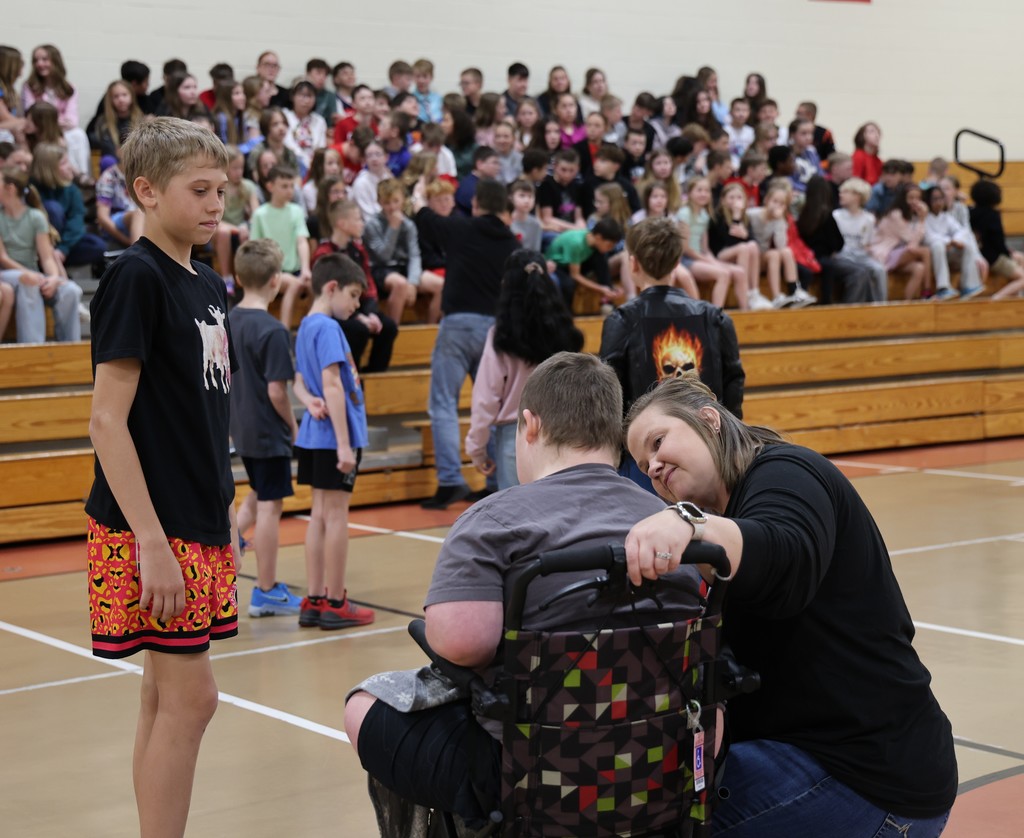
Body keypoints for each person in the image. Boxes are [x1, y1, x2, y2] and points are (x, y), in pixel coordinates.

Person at [344, 351, 704, 829]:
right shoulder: (671, 523)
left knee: (363, 704)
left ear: (529, 426)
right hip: (661, 760)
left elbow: (460, 643)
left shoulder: (491, 520)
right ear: (613, 434)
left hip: (537, 771)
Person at [622, 375, 957, 837]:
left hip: (873, 780)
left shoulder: (787, 471)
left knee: (664, 819)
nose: (654, 466)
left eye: (658, 443)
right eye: (643, 463)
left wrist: (686, 521)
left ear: (709, 420)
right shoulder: (725, 520)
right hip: (819, 756)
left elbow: (786, 556)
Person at [84, 118, 237, 838]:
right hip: (152, 524)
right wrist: (151, 540)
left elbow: (201, 408)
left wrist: (223, 504)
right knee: (192, 698)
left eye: (221, 190)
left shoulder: (208, 283)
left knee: (163, 694)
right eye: (199, 190)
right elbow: (107, 422)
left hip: (197, 516)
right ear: (146, 190)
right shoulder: (134, 278)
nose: (216, 205)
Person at [601, 216, 744, 490]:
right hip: (710, 446)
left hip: (646, 460)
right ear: (678, 262)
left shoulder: (623, 320)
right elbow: (734, 381)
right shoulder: (715, 317)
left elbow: (610, 391)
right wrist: (731, 440)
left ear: (632, 263)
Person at [413, 177, 521, 509]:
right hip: (496, 329)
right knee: (493, 403)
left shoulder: (461, 229)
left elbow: (423, 216)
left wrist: (419, 192)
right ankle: (492, 480)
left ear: (475, 205)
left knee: (444, 403)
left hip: (458, 324)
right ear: (504, 208)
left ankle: (450, 480)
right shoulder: (512, 244)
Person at [293, 252, 376, 630]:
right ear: (332, 288)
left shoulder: (306, 325)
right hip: (333, 437)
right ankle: (337, 599)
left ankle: (314, 597)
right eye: (354, 295)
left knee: (319, 516)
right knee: (336, 516)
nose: (356, 304)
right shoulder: (327, 328)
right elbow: (332, 385)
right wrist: (344, 445)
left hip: (314, 435)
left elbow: (299, 380)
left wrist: (307, 400)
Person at [228, 239, 304, 617]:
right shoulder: (272, 331)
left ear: (239, 277)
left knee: (258, 492)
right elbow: (277, 391)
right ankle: (267, 590)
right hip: (266, 428)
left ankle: (229, 548)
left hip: (239, 425)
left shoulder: (225, 320)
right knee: (272, 505)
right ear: (277, 281)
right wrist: (292, 424)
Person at [466, 250, 583, 490]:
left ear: (506, 285)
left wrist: (476, 447)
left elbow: (485, 398)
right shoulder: (565, 331)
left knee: (517, 521)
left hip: (516, 436)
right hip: (563, 433)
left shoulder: (501, 336)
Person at [0, 164, 81, 342]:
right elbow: (3, 258)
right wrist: (30, 274)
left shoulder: (35, 217)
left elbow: (46, 257)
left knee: (72, 291)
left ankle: (71, 347)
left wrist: (52, 278)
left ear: (10, 188)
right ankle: (33, 347)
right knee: (29, 281)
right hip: (6, 274)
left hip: (31, 273)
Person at [796, 175, 875, 304]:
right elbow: (837, 244)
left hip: (807, 259)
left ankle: (867, 306)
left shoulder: (802, 214)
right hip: (823, 260)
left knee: (863, 270)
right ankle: (851, 309)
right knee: (859, 272)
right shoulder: (827, 215)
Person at [29, 142, 107, 269]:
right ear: (49, 168)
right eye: (64, 163)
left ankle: (55, 260)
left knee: (98, 246)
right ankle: (48, 260)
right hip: (37, 242)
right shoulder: (31, 188)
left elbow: (76, 221)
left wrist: (63, 249)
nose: (70, 167)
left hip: (62, 242)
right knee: (53, 209)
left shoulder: (72, 190)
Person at [249, 164, 309, 327]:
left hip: (294, 270)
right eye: (284, 186)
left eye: (291, 186)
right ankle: (284, 331)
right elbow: (255, 248)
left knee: (314, 285)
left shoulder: (296, 211)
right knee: (294, 283)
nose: (290, 190)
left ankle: (308, 331)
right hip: (271, 270)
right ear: (270, 186)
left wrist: (305, 269)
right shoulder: (260, 214)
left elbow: (302, 241)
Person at [21, 44, 91, 178]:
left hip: (60, 131)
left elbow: (72, 121)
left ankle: (81, 176)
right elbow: (32, 114)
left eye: (44, 59)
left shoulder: (69, 88)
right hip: (39, 131)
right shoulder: (29, 87)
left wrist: (50, 120)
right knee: (59, 140)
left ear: (55, 61)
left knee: (78, 134)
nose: (40, 64)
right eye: (36, 60)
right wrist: (56, 121)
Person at [709, 183, 771, 310]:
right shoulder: (718, 216)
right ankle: (746, 291)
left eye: (739, 198)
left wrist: (746, 235)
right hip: (719, 255)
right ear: (723, 200)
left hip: (738, 253)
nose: (735, 201)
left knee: (752, 245)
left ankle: (754, 292)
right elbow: (729, 241)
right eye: (731, 198)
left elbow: (753, 241)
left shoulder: (745, 217)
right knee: (744, 247)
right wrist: (736, 218)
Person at [869, 182, 933, 301]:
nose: (915, 201)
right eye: (911, 198)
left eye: (918, 198)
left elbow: (915, 241)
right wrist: (922, 220)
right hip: (884, 254)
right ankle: (927, 291)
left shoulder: (913, 215)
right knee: (925, 252)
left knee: (919, 268)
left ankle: (907, 303)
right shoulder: (896, 214)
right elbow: (911, 242)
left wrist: (920, 219)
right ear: (903, 198)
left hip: (898, 254)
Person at [923, 185, 986, 300]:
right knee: (937, 245)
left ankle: (969, 286)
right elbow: (928, 237)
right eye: (934, 199)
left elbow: (961, 231)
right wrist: (949, 241)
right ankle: (943, 288)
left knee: (966, 245)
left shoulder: (946, 217)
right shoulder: (924, 217)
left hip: (947, 253)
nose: (938, 202)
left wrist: (957, 241)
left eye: (940, 198)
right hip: (932, 257)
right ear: (928, 201)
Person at [545, 217, 622, 310]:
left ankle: (609, 295)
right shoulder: (577, 243)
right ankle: (566, 315)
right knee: (568, 284)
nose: (611, 249)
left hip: (576, 261)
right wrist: (600, 288)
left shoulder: (592, 241)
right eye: (609, 245)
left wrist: (610, 286)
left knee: (600, 258)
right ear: (598, 237)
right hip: (558, 266)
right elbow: (575, 275)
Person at [832, 177, 888, 302]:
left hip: (861, 254)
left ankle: (882, 304)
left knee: (879, 269)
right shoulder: (836, 215)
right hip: (843, 254)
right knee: (861, 271)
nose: (841, 194)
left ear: (857, 196)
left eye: (845, 192)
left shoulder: (868, 218)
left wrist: (874, 252)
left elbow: (866, 243)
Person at [214, 146, 260, 289]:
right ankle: (227, 278)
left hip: (240, 228)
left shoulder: (248, 186)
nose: (239, 172)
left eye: (241, 168)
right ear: (225, 168)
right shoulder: (218, 187)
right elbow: (216, 217)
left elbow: (257, 213)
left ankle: (246, 277)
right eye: (234, 168)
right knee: (224, 232)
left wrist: (248, 224)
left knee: (246, 234)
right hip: (219, 227)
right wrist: (237, 228)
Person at [970, 179, 1024, 300]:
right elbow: (997, 241)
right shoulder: (993, 215)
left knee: (1020, 257)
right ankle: (996, 298)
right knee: (1023, 278)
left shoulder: (971, 212)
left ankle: (1016, 296)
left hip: (980, 253)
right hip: (993, 257)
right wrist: (1007, 253)